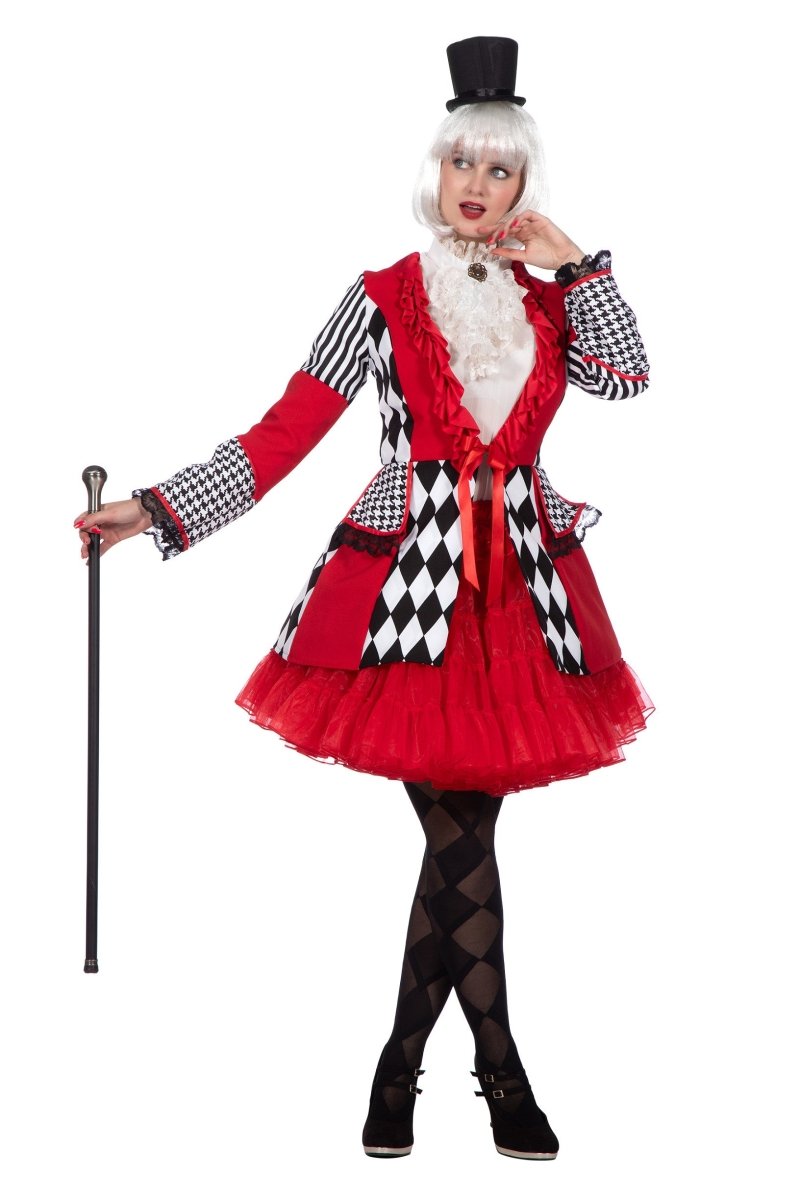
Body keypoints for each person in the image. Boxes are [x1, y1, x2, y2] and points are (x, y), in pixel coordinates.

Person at [74, 36, 654, 1162]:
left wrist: (578, 263)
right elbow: (284, 434)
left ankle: (399, 1069)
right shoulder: (381, 298)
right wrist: (156, 509)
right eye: (461, 164)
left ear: (524, 184)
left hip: (521, 595)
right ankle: (499, 1072)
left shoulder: (550, 304)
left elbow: (627, 376)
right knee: (461, 835)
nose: (476, 186)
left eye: (499, 169)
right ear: (435, 169)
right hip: (409, 596)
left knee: (460, 840)